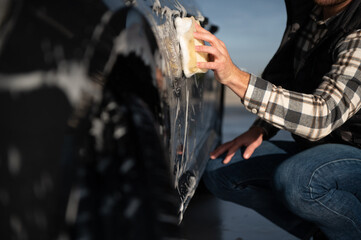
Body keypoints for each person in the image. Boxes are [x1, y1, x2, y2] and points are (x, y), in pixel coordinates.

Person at [194, 0, 361, 239]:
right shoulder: (307, 15)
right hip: (322, 150)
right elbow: (293, 81)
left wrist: (234, 77)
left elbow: (322, 116)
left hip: (354, 154)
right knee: (219, 171)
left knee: (300, 179)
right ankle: (324, 233)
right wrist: (262, 127)